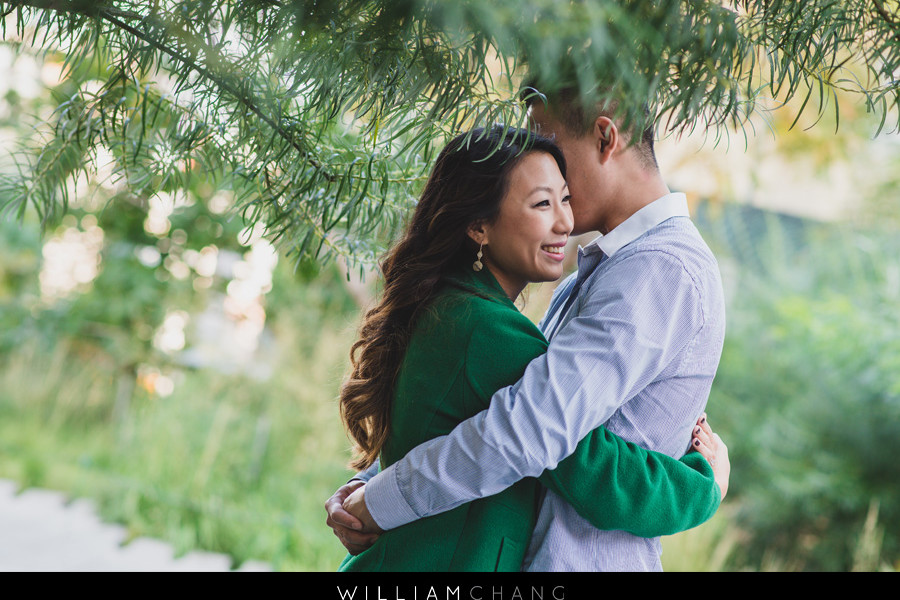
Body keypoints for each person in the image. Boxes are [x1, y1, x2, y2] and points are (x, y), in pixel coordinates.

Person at [331, 124, 728, 571]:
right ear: (479, 225)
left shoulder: (457, 307)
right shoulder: (487, 329)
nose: (565, 220)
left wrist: (369, 491)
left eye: (563, 198)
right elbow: (580, 460)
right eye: (542, 203)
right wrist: (702, 484)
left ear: (605, 136)